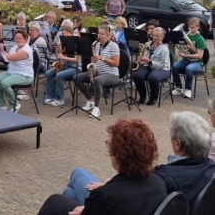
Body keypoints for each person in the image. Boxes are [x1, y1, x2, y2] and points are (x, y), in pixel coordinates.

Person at [58, 112, 215, 209]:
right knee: (69, 194)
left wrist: (111, 187)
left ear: (177, 143)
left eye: (171, 135)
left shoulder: (165, 179)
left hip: (120, 204)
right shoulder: (210, 168)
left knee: (77, 174)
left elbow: (135, 194)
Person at [38, 118, 166, 215]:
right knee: (69, 193)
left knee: (54, 202)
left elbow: (109, 200)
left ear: (117, 154)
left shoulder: (105, 195)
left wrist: (85, 210)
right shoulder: (158, 183)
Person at [74, 25, 120, 118]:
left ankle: (96, 108)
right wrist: (93, 60)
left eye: (101, 34)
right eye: (98, 33)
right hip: (98, 72)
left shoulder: (113, 46)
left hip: (111, 74)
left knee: (97, 80)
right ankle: (90, 100)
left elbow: (116, 63)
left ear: (108, 35)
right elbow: (95, 60)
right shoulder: (96, 44)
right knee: (76, 78)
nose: (99, 35)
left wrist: (102, 58)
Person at [0, 29, 33, 112]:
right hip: (12, 72)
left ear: (25, 39)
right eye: (16, 38)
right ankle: (1, 105)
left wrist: (2, 49)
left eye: (19, 38)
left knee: (5, 83)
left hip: (25, 75)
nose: (17, 40)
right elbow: (7, 60)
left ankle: (15, 104)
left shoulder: (26, 50)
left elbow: (11, 57)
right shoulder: (14, 47)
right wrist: (0, 50)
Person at [45, 21, 81, 107]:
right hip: (66, 65)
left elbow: (76, 60)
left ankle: (59, 99)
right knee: (48, 73)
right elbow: (62, 55)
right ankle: (50, 96)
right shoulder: (64, 43)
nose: (64, 37)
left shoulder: (77, 43)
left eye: (66, 34)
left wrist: (64, 58)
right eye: (63, 34)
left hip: (76, 68)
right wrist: (61, 60)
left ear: (71, 34)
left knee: (59, 75)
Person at [132, 27, 170, 105]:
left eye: (157, 36)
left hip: (163, 69)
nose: (154, 38)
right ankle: (142, 97)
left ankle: (153, 98)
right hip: (148, 66)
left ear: (162, 37)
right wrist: (141, 60)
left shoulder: (164, 49)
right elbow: (145, 58)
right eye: (154, 35)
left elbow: (163, 65)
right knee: (137, 76)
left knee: (152, 78)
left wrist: (149, 61)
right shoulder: (148, 44)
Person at [172, 17, 206, 98]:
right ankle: (179, 87)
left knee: (189, 68)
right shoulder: (185, 36)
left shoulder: (200, 39)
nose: (190, 29)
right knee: (173, 66)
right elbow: (183, 48)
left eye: (193, 27)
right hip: (186, 60)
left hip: (197, 62)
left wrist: (185, 55)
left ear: (198, 27)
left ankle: (188, 90)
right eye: (189, 27)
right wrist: (180, 50)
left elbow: (199, 55)